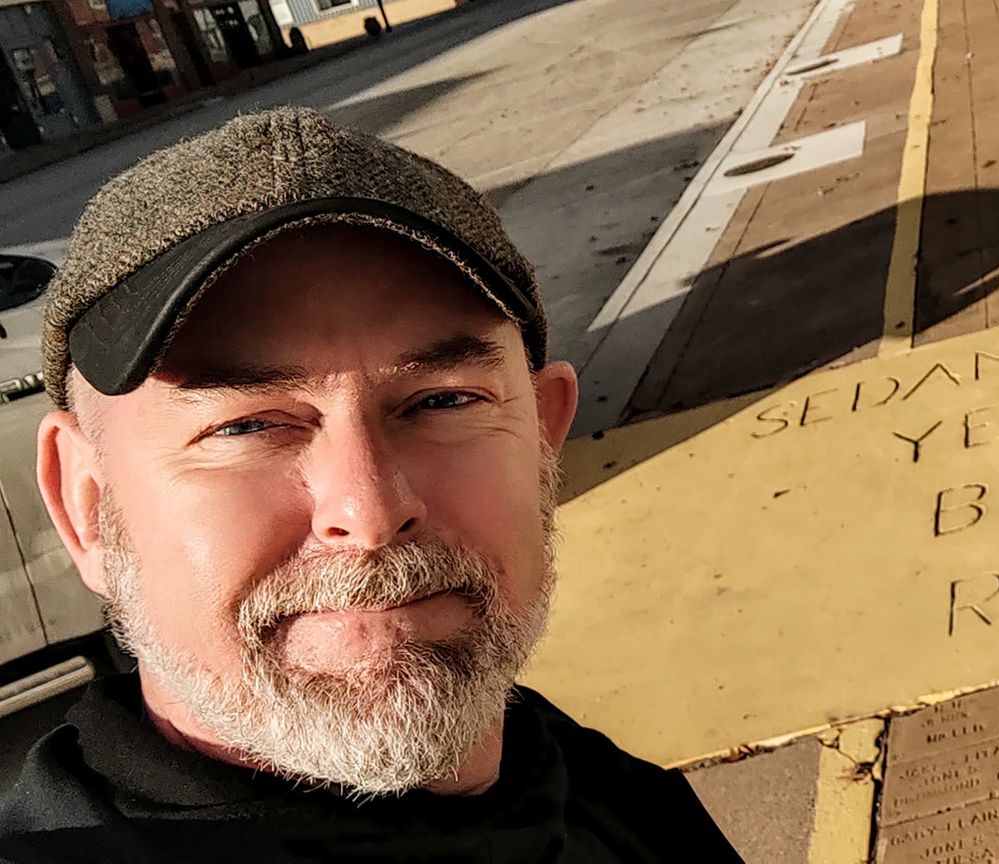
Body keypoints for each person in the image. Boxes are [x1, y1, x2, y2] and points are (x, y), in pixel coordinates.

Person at [0, 107, 742, 862]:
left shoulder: (616, 795)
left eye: (444, 400)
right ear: (87, 505)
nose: (371, 509)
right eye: (246, 426)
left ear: (543, 442)